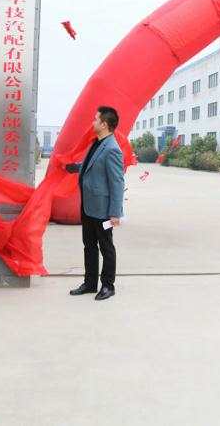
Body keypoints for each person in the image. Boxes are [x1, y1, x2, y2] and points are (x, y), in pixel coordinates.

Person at [66, 106, 125, 301]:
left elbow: (117, 182)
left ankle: (108, 285)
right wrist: (75, 167)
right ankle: (90, 283)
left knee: (106, 247)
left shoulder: (112, 149)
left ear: (104, 124)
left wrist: (115, 213)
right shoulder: (97, 143)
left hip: (103, 210)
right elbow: (92, 165)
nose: (93, 122)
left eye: (95, 119)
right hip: (88, 206)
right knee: (89, 245)